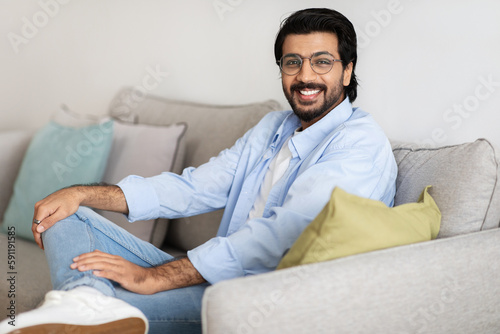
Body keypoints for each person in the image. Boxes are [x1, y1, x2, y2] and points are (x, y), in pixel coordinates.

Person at [0, 7, 397, 334]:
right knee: (65, 216)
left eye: (322, 62)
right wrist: (82, 193)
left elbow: (280, 235)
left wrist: (155, 277)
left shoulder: (358, 144)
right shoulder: (272, 128)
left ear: (347, 72)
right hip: (213, 274)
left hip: (256, 299)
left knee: (117, 302)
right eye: (293, 63)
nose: (305, 76)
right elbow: (194, 189)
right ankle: (82, 301)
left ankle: (83, 304)